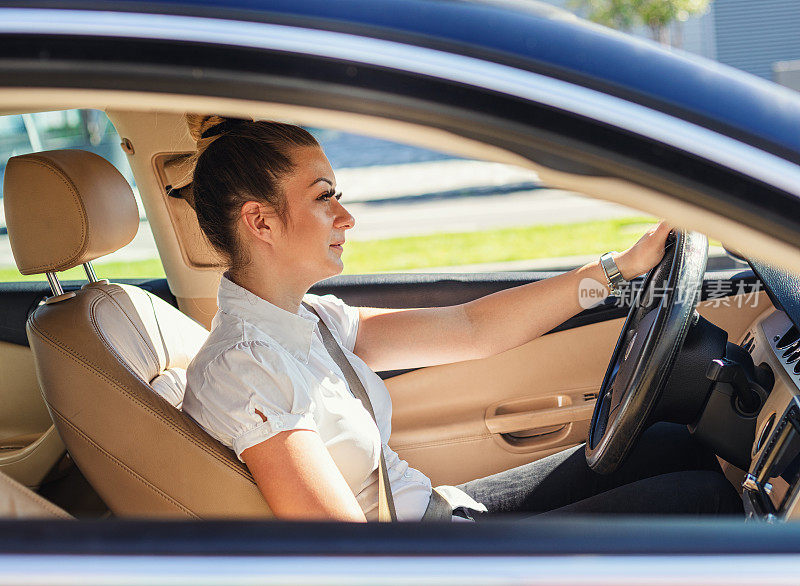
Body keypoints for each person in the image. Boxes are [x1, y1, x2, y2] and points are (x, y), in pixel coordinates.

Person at [182, 115, 743, 522]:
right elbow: (347, 555)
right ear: (260, 222)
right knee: (700, 501)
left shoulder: (311, 320)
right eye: (323, 197)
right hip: (426, 558)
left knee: (671, 442)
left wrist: (619, 268)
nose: (345, 217)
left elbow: (472, 330)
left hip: (439, 517)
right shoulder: (243, 369)